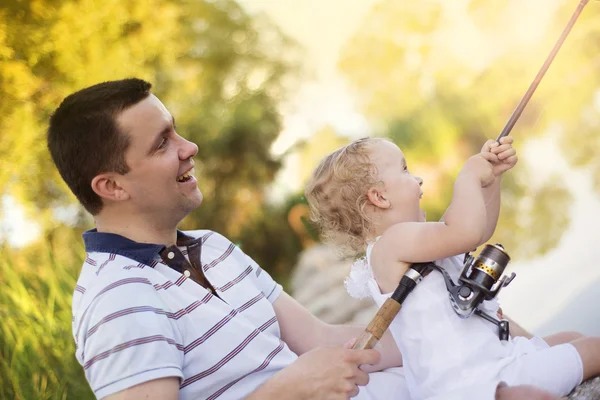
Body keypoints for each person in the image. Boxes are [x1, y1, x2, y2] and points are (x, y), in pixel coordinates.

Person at [48, 78, 561, 400]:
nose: (190, 147)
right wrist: (287, 390)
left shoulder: (213, 246)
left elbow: (321, 342)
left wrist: (456, 333)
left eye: (176, 130)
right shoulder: (115, 301)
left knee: (537, 359)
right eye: (163, 143)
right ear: (111, 186)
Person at [305, 136, 600, 400]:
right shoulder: (392, 244)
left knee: (570, 337)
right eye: (405, 170)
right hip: (469, 383)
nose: (418, 179)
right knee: (593, 349)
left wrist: (490, 180)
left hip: (491, 363)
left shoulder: (417, 239)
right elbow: (465, 233)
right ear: (379, 197)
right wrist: (468, 177)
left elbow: (478, 229)